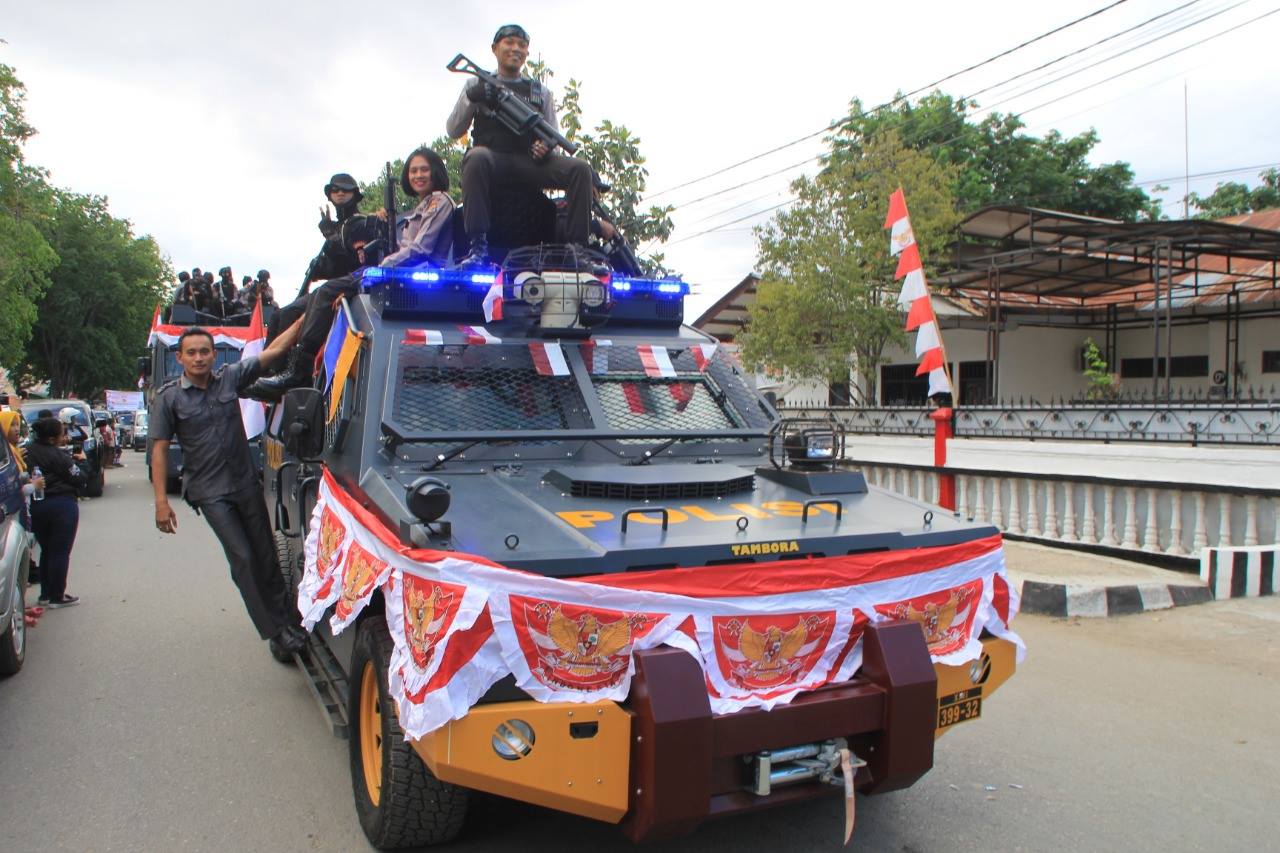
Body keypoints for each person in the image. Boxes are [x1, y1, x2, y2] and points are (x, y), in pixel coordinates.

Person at [149, 322, 307, 658]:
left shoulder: (229, 379)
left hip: (245, 483)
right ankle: (276, 631)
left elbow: (274, 351)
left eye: (205, 351)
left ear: (213, 354)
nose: (199, 358)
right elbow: (159, 449)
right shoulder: (169, 399)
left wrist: (310, 312)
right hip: (210, 493)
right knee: (244, 559)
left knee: (266, 556)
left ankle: (288, 621)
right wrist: (161, 502)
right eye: (191, 353)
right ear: (179, 358)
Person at [251, 147, 454, 398]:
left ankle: (299, 370)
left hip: (412, 275)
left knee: (324, 294)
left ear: (435, 171)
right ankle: (282, 367)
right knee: (313, 299)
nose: (418, 175)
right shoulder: (422, 205)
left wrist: (381, 268)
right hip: (399, 272)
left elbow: (420, 249)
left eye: (424, 169)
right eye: (413, 170)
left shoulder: (438, 201)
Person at [445, 23, 592, 264]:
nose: (516, 49)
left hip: (529, 164)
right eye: (509, 43)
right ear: (495, 48)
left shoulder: (539, 92)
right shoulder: (476, 84)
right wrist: (473, 98)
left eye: (522, 45)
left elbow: (553, 137)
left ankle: (578, 250)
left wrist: (545, 148)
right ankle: (478, 247)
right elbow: (453, 129)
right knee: (476, 158)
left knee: (580, 169)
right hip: (494, 160)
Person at [25, 416, 87, 608]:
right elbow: (79, 478)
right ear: (52, 439)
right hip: (61, 505)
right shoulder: (57, 455)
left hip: (37, 505)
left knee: (47, 550)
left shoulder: (27, 451)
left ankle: (45, 594)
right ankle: (57, 596)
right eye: (62, 433)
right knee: (60, 552)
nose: (65, 436)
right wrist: (82, 462)